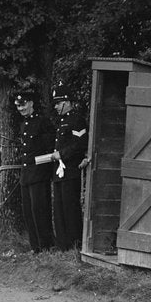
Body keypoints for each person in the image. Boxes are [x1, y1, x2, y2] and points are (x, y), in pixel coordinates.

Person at [50, 82, 88, 250]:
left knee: (70, 207)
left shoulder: (77, 120)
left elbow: (79, 144)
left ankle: (74, 244)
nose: (56, 107)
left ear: (67, 102)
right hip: (59, 171)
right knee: (59, 208)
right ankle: (62, 244)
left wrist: (62, 154)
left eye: (58, 103)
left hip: (71, 170)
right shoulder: (60, 121)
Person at [15, 92, 55, 252]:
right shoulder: (23, 124)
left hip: (39, 173)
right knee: (28, 212)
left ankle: (46, 245)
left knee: (40, 210)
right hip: (26, 174)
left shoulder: (42, 122)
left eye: (23, 105)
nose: (21, 108)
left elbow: (50, 148)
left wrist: (42, 167)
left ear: (31, 103)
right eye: (18, 106)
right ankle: (35, 246)